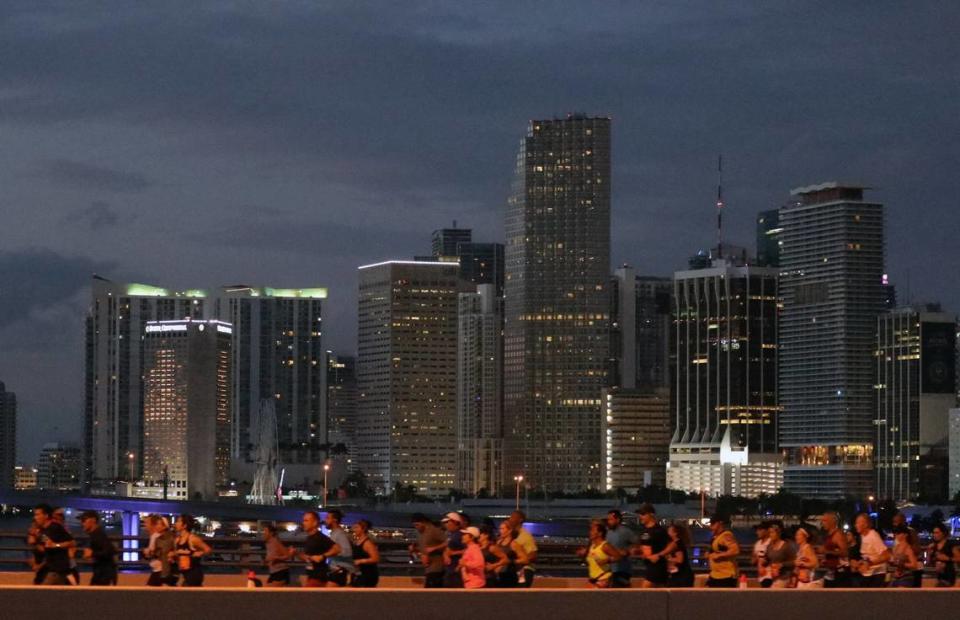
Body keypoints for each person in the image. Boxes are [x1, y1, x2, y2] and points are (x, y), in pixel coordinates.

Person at [34, 503, 75, 585]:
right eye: (35, 515)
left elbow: (71, 542)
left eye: (38, 515)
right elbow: (47, 545)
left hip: (58, 569)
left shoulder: (56, 527)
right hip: (50, 568)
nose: (35, 517)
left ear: (46, 516)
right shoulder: (42, 531)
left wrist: (56, 545)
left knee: (43, 593)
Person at [298, 510, 340, 588]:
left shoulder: (320, 537)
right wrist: (296, 553)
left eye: (306, 520)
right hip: (311, 576)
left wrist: (323, 556)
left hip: (318, 577)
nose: (303, 523)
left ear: (314, 523)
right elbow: (308, 558)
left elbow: (337, 548)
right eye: (303, 520)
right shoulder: (309, 538)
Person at [633, 503, 670, 588]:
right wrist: (638, 551)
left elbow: (670, 546)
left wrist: (659, 556)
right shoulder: (644, 531)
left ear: (651, 514)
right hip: (648, 565)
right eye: (639, 514)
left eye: (643, 514)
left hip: (658, 566)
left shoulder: (659, 531)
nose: (640, 516)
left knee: (645, 592)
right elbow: (644, 547)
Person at [578, 519, 622, 588]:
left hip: (604, 578)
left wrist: (607, 560)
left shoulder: (605, 546)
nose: (590, 532)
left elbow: (618, 556)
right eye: (590, 530)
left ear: (600, 533)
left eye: (592, 530)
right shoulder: (592, 546)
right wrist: (582, 554)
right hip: (593, 579)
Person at [170, 514, 211, 587]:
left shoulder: (192, 539)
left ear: (184, 525)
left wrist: (200, 553)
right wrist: (173, 556)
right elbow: (178, 556)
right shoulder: (177, 540)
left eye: (178, 521)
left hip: (194, 573)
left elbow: (208, 549)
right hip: (184, 573)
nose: (176, 524)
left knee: (186, 593)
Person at [79, 511, 117, 586]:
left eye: (84, 520)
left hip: (104, 574)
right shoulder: (95, 534)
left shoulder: (98, 534)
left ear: (93, 520)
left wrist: (92, 554)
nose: (82, 523)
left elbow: (110, 551)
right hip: (101, 572)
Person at [852, 513, 889, 588]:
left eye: (858, 522)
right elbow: (868, 555)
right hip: (867, 573)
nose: (856, 525)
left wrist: (869, 563)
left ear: (866, 524)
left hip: (877, 574)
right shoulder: (862, 536)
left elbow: (886, 556)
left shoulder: (873, 536)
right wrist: (860, 563)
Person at [410, 513, 446, 588]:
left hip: (437, 567)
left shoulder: (434, 531)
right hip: (428, 568)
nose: (416, 528)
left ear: (424, 522)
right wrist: (415, 549)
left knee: (432, 591)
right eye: (414, 526)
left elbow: (447, 542)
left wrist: (434, 548)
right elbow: (424, 548)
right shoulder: (421, 533)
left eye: (417, 525)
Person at [704, 513, 740, 588]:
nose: (711, 526)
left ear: (719, 523)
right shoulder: (715, 537)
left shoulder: (726, 535)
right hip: (715, 574)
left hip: (726, 575)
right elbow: (714, 550)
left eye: (713, 524)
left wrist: (719, 555)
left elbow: (735, 550)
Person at [604, 510, 636, 588]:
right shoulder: (607, 532)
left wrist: (627, 551)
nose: (608, 521)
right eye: (608, 519)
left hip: (622, 570)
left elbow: (637, 544)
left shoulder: (626, 532)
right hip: (609, 570)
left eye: (611, 519)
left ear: (617, 520)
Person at [325, 510, 356, 587]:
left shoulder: (340, 534)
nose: (325, 520)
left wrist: (331, 552)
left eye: (328, 518)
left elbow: (348, 552)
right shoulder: (334, 533)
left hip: (340, 570)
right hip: (335, 570)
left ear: (334, 520)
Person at [892, 511, 923, 587]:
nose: (894, 524)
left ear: (903, 522)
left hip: (914, 569)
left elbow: (917, 549)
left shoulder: (910, 532)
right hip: (902, 569)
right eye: (893, 522)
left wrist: (905, 552)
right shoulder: (897, 533)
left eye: (896, 522)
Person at [507, 510, 538, 587]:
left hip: (523, 570)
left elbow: (533, 555)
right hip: (515, 570)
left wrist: (518, 560)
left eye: (513, 517)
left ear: (520, 520)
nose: (510, 519)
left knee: (521, 593)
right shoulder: (512, 535)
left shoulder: (526, 536)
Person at [819, 512, 850, 588]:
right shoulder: (829, 535)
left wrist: (826, 552)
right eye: (822, 521)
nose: (822, 523)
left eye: (825, 521)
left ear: (832, 521)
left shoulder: (838, 534)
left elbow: (845, 552)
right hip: (830, 571)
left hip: (839, 572)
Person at [495, 521, 529, 588]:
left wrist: (512, 561)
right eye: (500, 529)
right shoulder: (498, 543)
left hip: (511, 574)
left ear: (509, 530)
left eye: (502, 529)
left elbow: (525, 560)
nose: (500, 531)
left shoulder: (514, 544)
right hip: (500, 574)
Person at [144, 515, 175, 586]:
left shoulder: (160, 538)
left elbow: (160, 552)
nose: (145, 525)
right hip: (158, 569)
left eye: (147, 523)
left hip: (161, 569)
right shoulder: (155, 537)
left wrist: (149, 552)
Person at [762, 522, 795, 588]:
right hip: (773, 576)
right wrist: (763, 562)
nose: (770, 535)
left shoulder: (786, 546)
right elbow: (767, 559)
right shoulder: (769, 546)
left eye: (772, 532)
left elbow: (794, 562)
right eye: (769, 533)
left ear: (778, 534)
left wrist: (781, 565)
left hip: (784, 577)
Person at [52, 508, 80, 585]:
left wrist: (57, 545)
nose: (58, 518)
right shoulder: (51, 531)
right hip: (58, 566)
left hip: (67, 565)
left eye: (61, 516)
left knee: (72, 584)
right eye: (55, 517)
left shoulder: (65, 531)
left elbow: (72, 544)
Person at [350, 519, 380, 588]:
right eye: (354, 527)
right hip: (358, 573)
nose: (354, 530)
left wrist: (360, 561)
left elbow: (375, 558)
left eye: (357, 527)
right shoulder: (357, 542)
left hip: (367, 575)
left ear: (363, 529)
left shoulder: (367, 543)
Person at [665, 522, 694, 587]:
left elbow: (680, 560)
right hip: (678, 575)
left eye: (669, 530)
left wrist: (668, 558)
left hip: (682, 576)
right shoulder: (675, 543)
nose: (667, 532)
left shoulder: (678, 544)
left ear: (675, 533)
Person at [927, 523, 956, 587]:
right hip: (938, 576)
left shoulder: (950, 545)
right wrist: (929, 552)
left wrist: (947, 558)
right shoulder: (933, 546)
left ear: (943, 533)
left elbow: (958, 558)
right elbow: (928, 563)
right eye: (934, 533)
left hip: (949, 575)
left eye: (937, 533)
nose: (935, 535)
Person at [441, 512, 466, 588]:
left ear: (455, 522)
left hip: (457, 570)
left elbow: (470, 550)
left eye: (448, 522)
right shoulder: (451, 535)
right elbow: (448, 549)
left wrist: (453, 553)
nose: (446, 525)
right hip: (450, 569)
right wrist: (446, 555)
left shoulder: (461, 535)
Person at [26, 514, 47, 585]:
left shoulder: (44, 535)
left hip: (47, 570)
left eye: (33, 527)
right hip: (41, 570)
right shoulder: (36, 537)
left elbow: (49, 553)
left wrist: (39, 566)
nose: (31, 529)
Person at [753, 521, 772, 587]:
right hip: (761, 576)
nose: (757, 532)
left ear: (767, 531)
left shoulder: (771, 542)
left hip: (770, 575)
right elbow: (753, 560)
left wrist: (764, 562)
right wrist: (755, 559)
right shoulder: (757, 543)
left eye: (760, 530)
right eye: (757, 530)